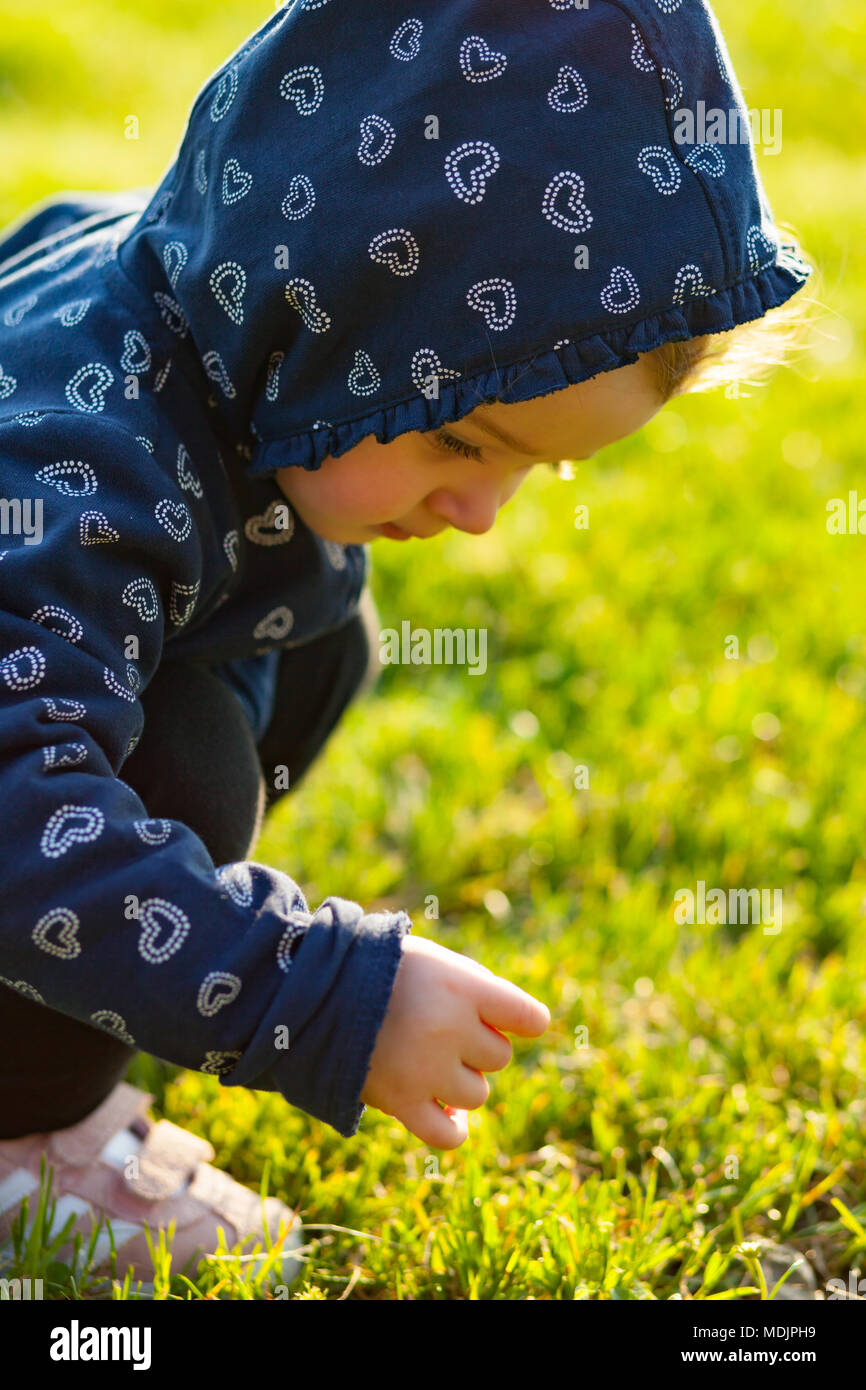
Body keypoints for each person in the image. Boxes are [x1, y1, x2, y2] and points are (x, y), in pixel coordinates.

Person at [0, 0, 810, 1290]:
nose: (481, 516)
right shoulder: (80, 468)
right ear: (316, 300)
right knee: (184, 758)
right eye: (461, 439)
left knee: (315, 631)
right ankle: (24, 1142)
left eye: (533, 472)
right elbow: (15, 809)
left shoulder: (207, 309)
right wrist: (319, 995)